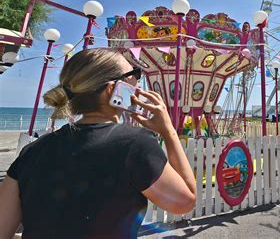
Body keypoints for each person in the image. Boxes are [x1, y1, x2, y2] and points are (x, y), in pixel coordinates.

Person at [0, 48, 196, 238]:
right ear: (113, 89)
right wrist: (168, 131)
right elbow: (184, 202)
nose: (138, 82)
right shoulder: (135, 144)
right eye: (134, 74)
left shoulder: (32, 151)